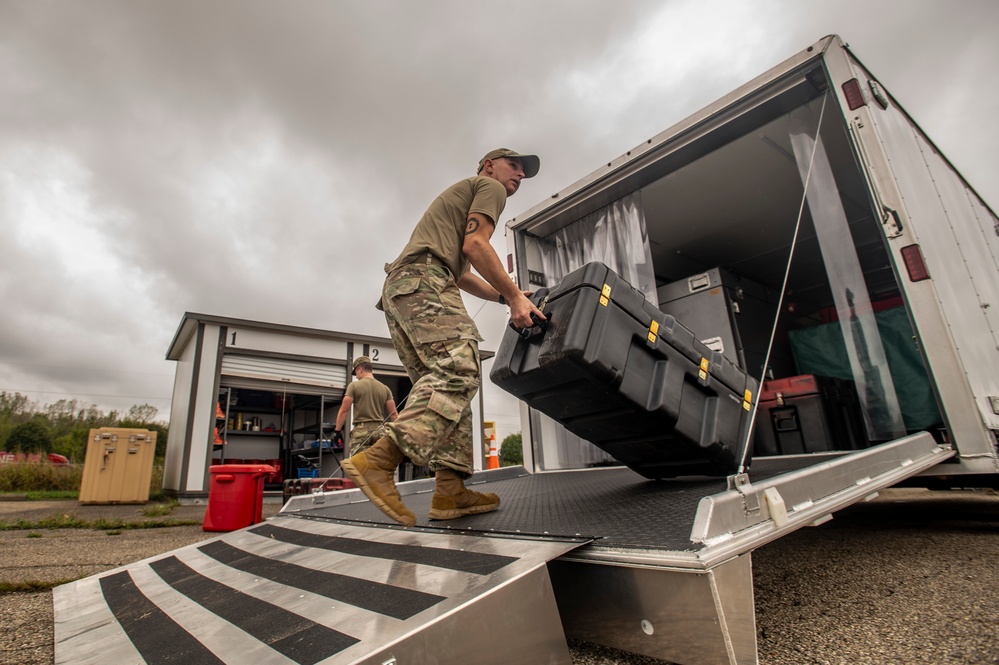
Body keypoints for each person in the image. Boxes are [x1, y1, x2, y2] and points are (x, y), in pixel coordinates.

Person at [342, 148, 546, 527]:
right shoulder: (489, 187)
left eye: (524, 171)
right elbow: (477, 245)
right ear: (489, 165)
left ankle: (450, 491)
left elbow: (464, 271)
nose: (519, 175)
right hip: (424, 280)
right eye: (513, 165)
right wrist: (517, 297)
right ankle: (379, 460)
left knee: (447, 390)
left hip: (403, 287)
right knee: (459, 365)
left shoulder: (461, 202)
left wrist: (505, 295)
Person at [334, 356, 398, 456]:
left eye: (356, 373)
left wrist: (337, 431)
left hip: (361, 432)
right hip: (379, 432)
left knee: (360, 466)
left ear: (360, 369)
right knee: (378, 464)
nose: (356, 376)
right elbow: (393, 414)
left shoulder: (354, 386)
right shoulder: (385, 388)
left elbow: (344, 410)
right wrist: (399, 433)